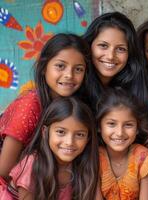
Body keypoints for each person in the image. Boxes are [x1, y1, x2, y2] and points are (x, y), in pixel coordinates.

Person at [0, 33, 91, 182]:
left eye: (78, 69)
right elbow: (4, 171)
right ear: (44, 67)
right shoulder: (30, 105)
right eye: (60, 66)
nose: (69, 75)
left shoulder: (74, 105)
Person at [0, 97, 99, 199]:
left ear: (88, 138)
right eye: (61, 132)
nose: (69, 142)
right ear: (45, 132)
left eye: (80, 135)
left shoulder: (84, 165)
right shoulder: (33, 164)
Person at [83, 11, 148, 111]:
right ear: (89, 45)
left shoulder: (133, 87)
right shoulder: (77, 83)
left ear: (130, 54)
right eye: (103, 46)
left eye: (120, 49)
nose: (110, 56)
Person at [96, 88, 148, 200]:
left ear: (138, 128)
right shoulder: (94, 157)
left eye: (128, 125)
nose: (120, 133)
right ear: (99, 126)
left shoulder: (143, 158)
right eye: (111, 124)